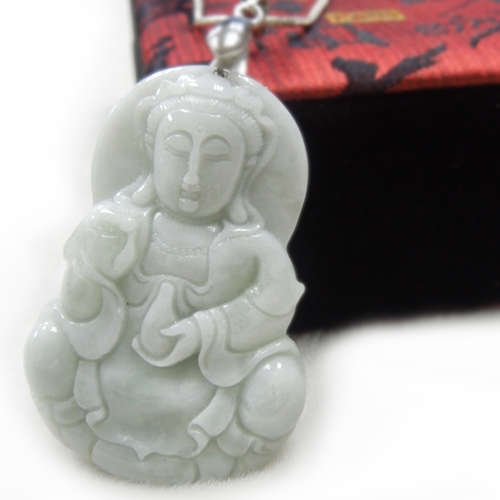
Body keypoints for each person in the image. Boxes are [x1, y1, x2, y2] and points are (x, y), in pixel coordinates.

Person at [25, 72, 306, 483]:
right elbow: (76, 311)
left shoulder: (253, 249)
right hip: (112, 370)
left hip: (210, 384)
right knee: (48, 340)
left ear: (245, 170)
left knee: (281, 381)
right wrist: (92, 268)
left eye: (217, 159)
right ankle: (77, 423)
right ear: (151, 152)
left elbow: (270, 311)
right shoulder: (118, 225)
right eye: (176, 151)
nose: (192, 177)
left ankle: (225, 450)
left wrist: (204, 329)